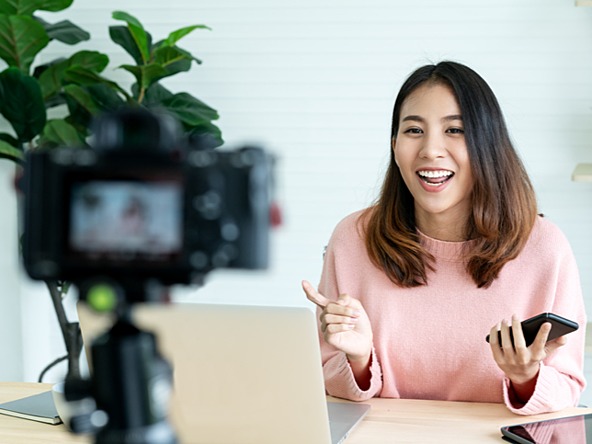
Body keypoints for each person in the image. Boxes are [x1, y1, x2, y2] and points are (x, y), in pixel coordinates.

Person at [302, 61, 586, 415]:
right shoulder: (353, 240)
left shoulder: (544, 247)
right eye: (413, 131)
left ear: (487, 144)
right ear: (394, 145)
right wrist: (358, 359)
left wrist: (525, 377)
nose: (430, 150)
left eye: (455, 130)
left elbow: (568, 388)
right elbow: (327, 382)